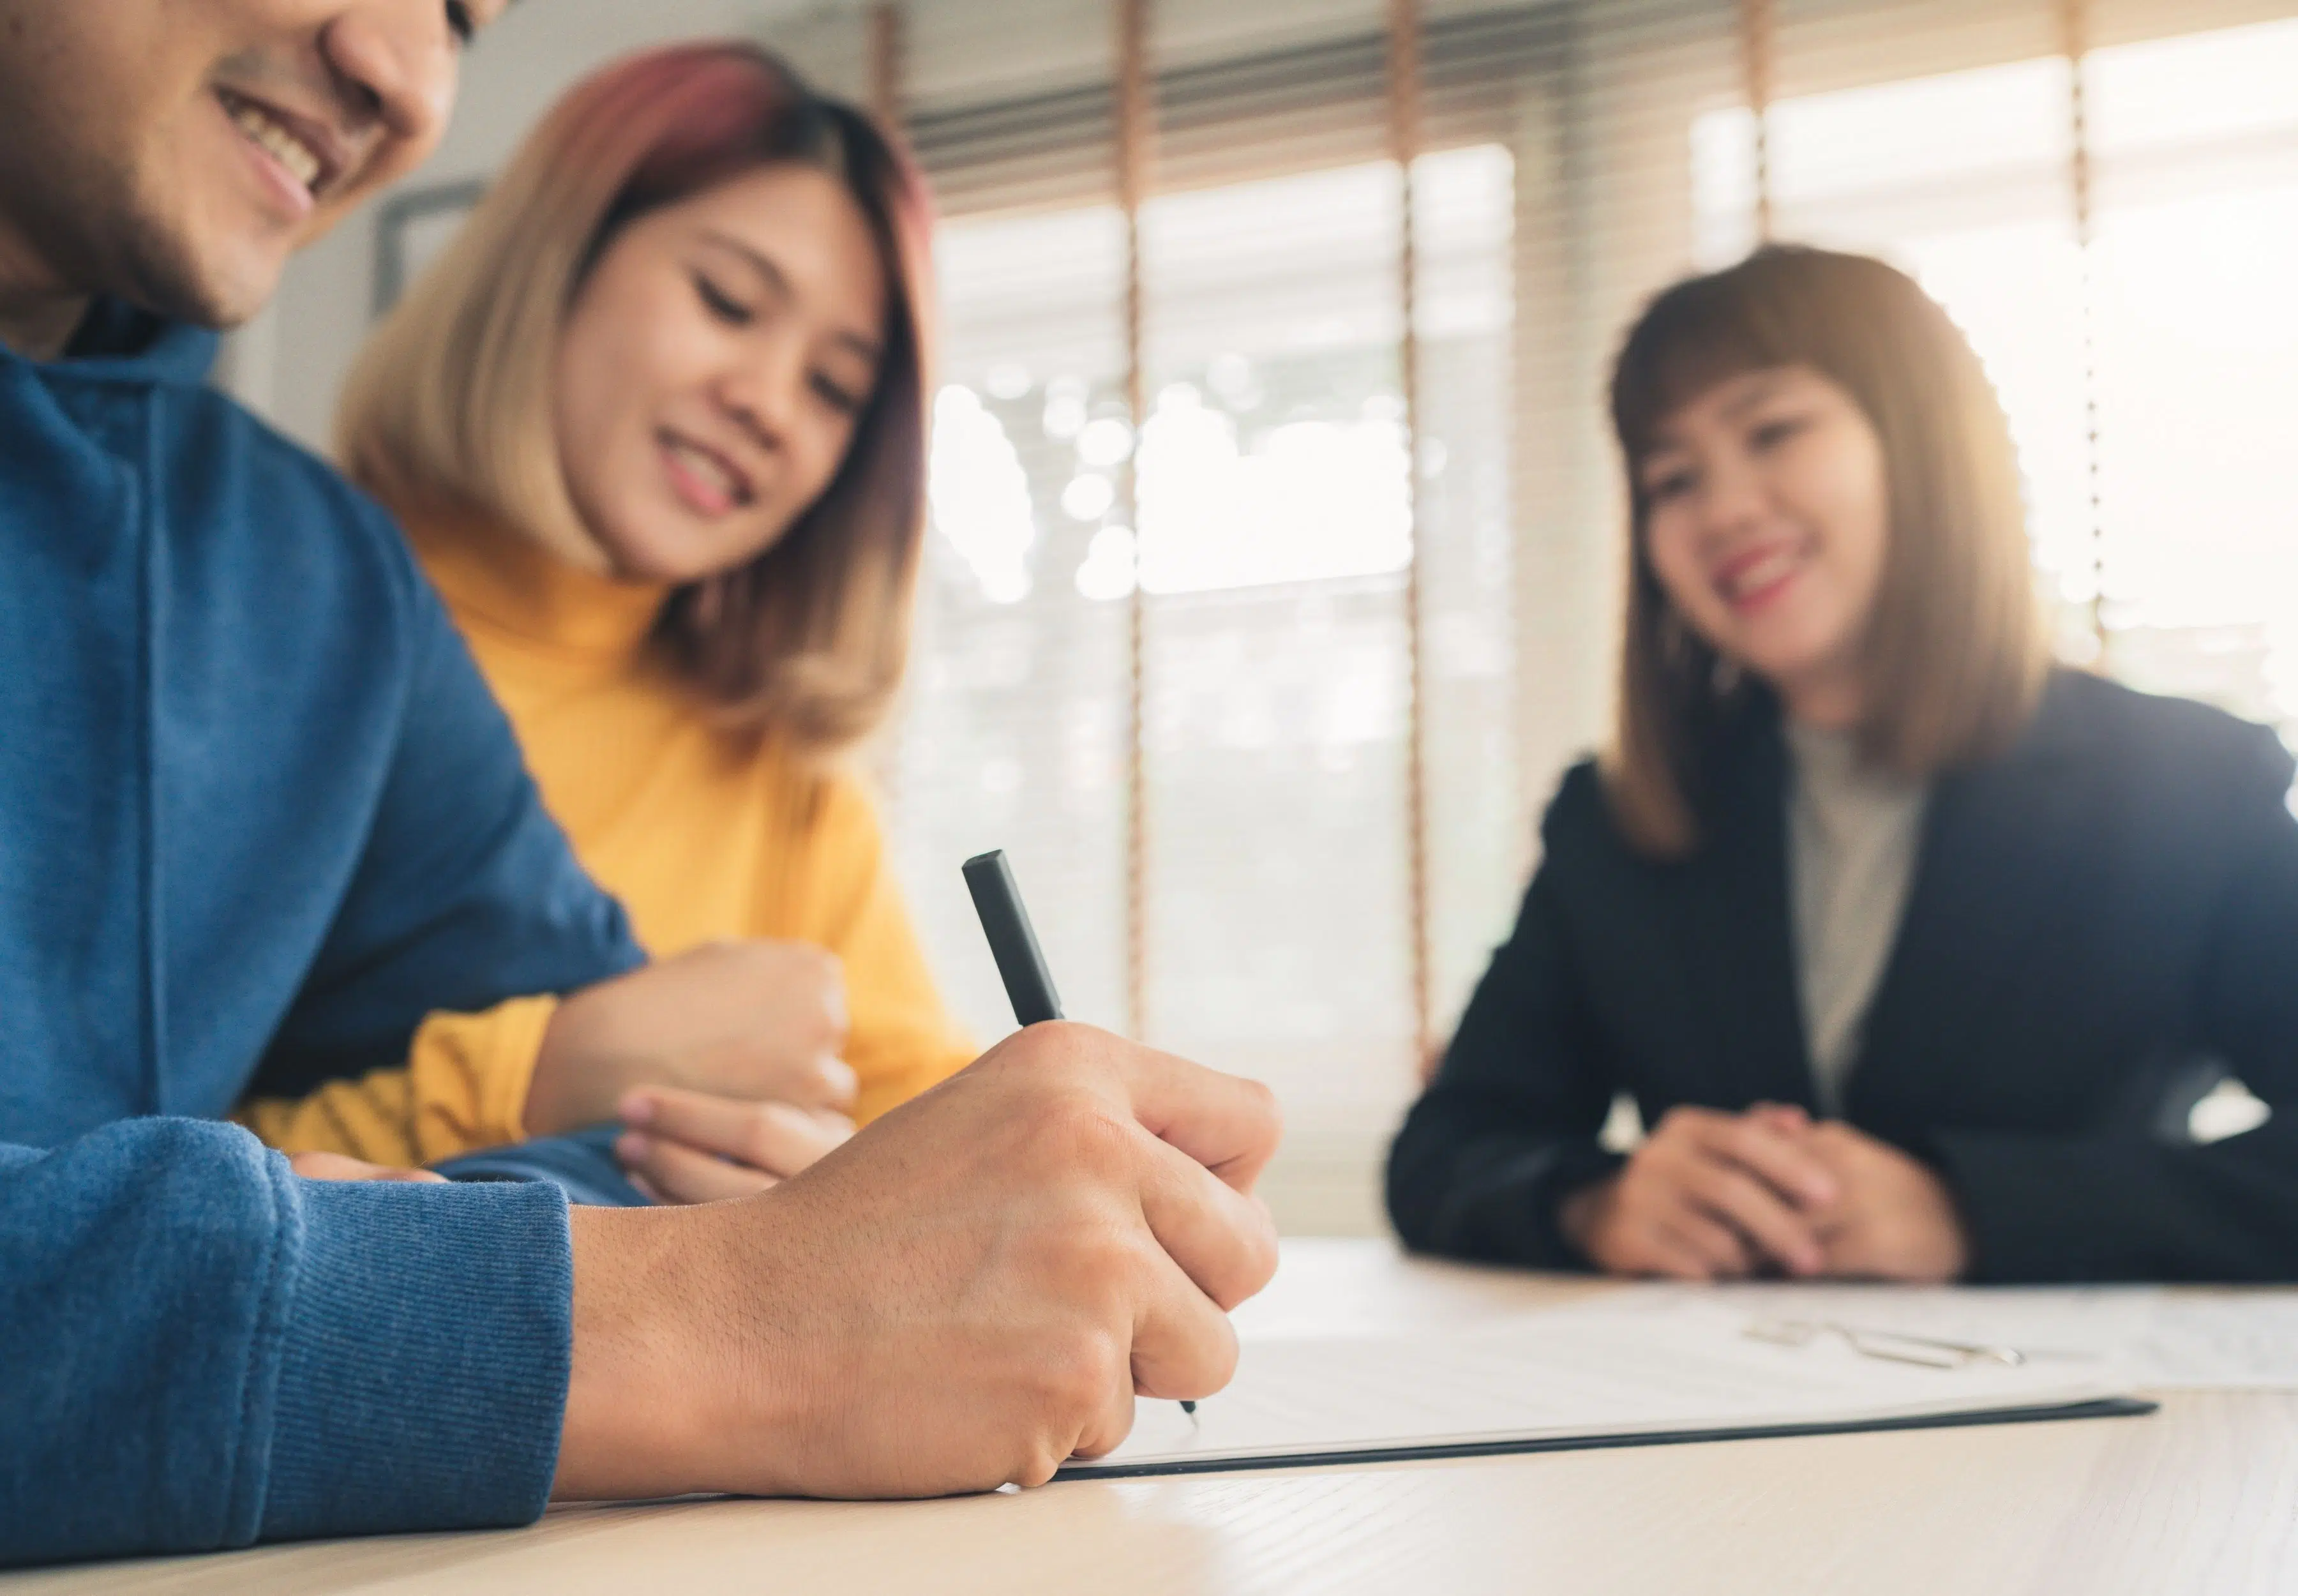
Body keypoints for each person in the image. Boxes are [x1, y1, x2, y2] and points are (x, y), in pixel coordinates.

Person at [0, 0, 1278, 1568]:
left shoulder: (318, 585)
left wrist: (301, 1268)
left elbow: (665, 1173)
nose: (406, 72)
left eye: (466, 16)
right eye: (729, 298)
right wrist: (698, 1306)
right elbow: (700, 1250)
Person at [1388, 245, 2298, 1286]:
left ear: (1920, 445)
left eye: (1773, 431)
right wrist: (1597, 1203)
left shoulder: (2189, 788)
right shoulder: (1618, 817)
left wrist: (1976, 1211)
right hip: (1714, 1413)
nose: (1723, 510)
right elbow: (1444, 1152)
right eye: (1672, 478)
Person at [232, 45, 972, 1200]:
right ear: (555, 265)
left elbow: (946, 1183)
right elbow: (101, 1204)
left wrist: (844, 1211)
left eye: (833, 388)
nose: (769, 406)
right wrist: (528, 1080)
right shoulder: (256, 624)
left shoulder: (792, 791)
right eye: (728, 302)